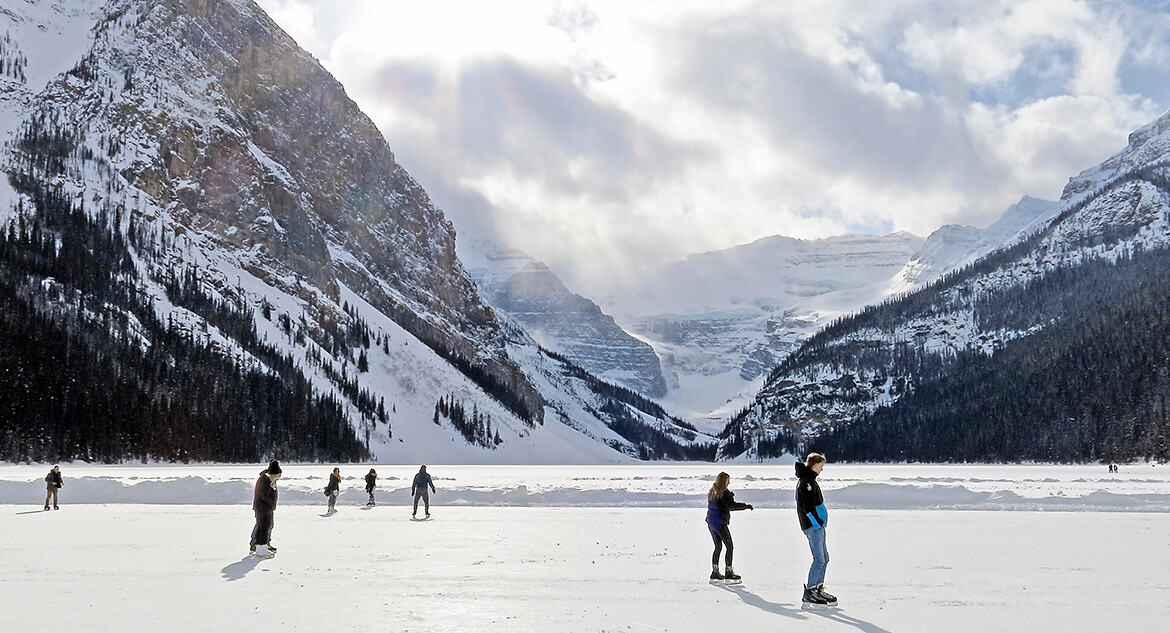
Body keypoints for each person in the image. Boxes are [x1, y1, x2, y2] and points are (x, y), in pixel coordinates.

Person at [796, 453, 837, 609]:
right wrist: (816, 522)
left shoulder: (811, 481)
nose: (822, 469)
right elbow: (805, 506)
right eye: (821, 465)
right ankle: (810, 591)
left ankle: (818, 587)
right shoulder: (805, 482)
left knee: (825, 558)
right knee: (819, 559)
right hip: (813, 527)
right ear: (814, 464)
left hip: (818, 526)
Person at [705, 471, 752, 584]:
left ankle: (715, 572)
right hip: (720, 523)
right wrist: (745, 506)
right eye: (728, 481)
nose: (729, 483)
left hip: (711, 522)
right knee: (729, 547)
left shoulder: (712, 492)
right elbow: (731, 506)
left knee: (718, 547)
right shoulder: (723, 493)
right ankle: (728, 572)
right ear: (724, 481)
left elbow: (721, 504)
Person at [250, 460, 281, 555]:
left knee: (266, 526)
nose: (279, 477)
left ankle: (263, 544)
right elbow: (264, 495)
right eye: (278, 475)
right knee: (264, 526)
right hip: (263, 507)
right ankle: (259, 546)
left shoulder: (269, 479)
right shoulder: (266, 479)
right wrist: (272, 504)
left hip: (264, 507)